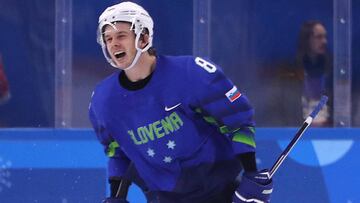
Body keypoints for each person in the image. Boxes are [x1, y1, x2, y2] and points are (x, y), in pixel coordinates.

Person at [89, 2, 273, 203]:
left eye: (121, 36)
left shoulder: (191, 74)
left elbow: (237, 122)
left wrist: (251, 176)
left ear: (143, 38)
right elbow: (118, 151)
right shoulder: (104, 100)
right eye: (108, 38)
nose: (113, 43)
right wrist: (117, 196)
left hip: (221, 191)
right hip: (163, 197)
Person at [296, 20, 333, 127]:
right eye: (319, 37)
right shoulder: (294, 72)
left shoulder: (332, 71)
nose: (324, 41)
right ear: (307, 40)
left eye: (325, 37)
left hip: (329, 132)